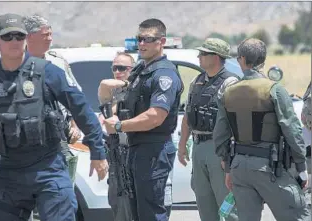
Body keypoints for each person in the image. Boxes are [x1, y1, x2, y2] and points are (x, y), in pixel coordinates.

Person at [0, 13, 108, 221]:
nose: (14, 42)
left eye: (19, 36)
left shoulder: (49, 73)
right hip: (10, 171)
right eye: (8, 37)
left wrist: (98, 152)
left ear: (26, 38)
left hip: (49, 167)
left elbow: (83, 111)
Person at [213, 38, 310, 221]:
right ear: (263, 61)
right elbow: (292, 130)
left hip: (239, 168)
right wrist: (301, 167)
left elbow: (220, 135)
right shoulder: (274, 90)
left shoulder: (228, 92)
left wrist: (228, 167)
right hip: (270, 167)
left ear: (241, 59)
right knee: (299, 215)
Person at [103, 18, 183, 221]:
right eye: (139, 39)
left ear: (161, 41)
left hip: (153, 149)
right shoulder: (140, 71)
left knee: (150, 213)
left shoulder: (164, 74)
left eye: (147, 39)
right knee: (134, 212)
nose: (142, 44)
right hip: (135, 149)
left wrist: (120, 126)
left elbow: (156, 116)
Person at [177, 38, 239, 221]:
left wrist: (228, 156)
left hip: (219, 149)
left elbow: (236, 123)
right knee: (204, 205)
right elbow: (189, 115)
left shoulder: (230, 83)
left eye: (204, 54)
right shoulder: (197, 81)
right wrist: (182, 146)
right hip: (199, 147)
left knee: (227, 208)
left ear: (217, 57)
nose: (199, 57)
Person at [23, 14, 82, 166]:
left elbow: (75, 96)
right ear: (30, 37)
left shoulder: (58, 61)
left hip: (61, 135)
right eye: (44, 35)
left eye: (50, 34)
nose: (49, 38)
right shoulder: (15, 64)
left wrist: (75, 125)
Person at [98, 51, 134, 221]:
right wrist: (128, 83)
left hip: (133, 155)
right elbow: (104, 84)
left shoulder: (137, 93)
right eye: (115, 68)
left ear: (133, 69)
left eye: (122, 68)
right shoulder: (113, 92)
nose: (118, 71)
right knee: (117, 206)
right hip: (116, 157)